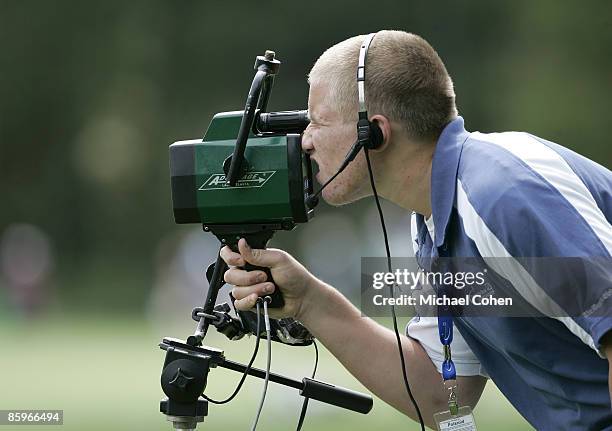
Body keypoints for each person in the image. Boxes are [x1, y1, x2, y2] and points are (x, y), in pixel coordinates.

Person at [220, 30, 612, 430]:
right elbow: (440, 395)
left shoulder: (501, 197)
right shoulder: (436, 216)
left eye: (318, 121)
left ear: (373, 131)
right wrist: (310, 301)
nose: (304, 141)